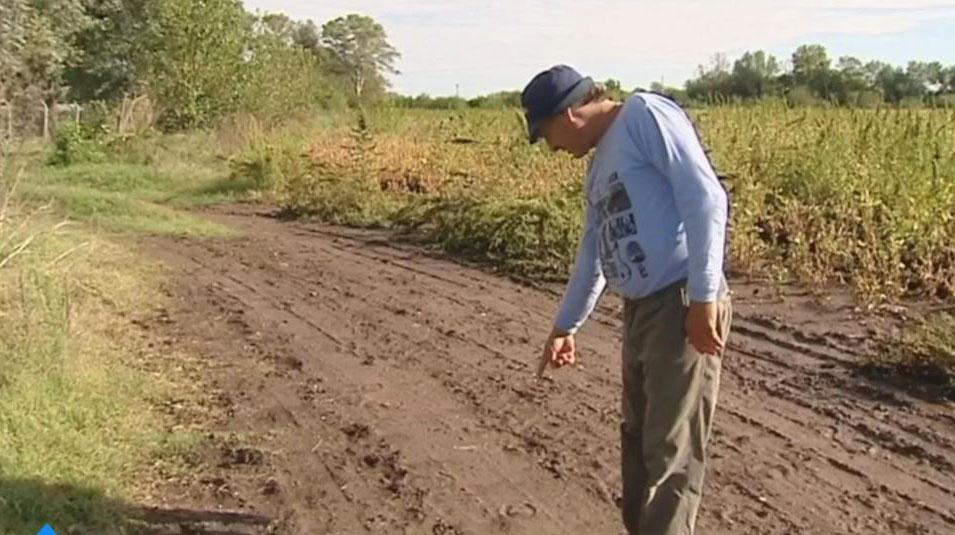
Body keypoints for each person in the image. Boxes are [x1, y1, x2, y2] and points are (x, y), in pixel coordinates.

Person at [523, 65, 732, 535]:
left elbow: (705, 199)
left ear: (570, 113)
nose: (552, 147)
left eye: (547, 133)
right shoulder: (599, 167)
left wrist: (701, 298)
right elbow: (592, 258)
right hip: (640, 309)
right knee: (637, 439)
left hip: (679, 300)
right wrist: (565, 327)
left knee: (670, 448)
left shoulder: (644, 116)